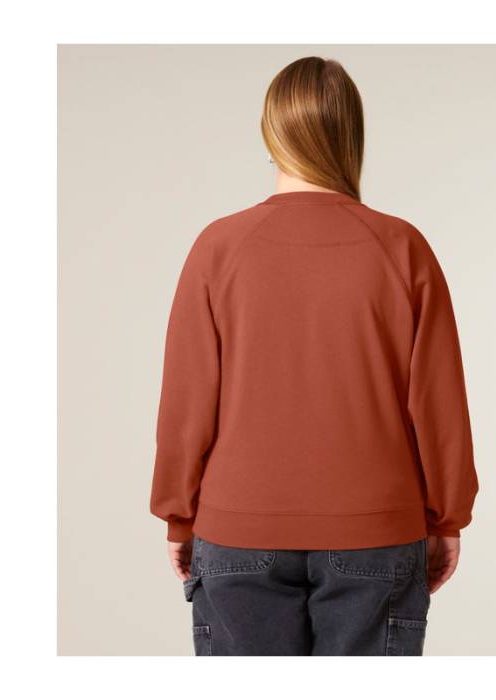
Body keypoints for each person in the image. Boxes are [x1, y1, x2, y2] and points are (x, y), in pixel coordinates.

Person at [150, 56, 479, 656]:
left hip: (238, 528)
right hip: (377, 531)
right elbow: (439, 403)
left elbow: (187, 398)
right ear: (352, 136)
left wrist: (180, 512)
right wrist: (446, 516)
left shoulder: (219, 246)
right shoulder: (401, 247)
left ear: (270, 135)